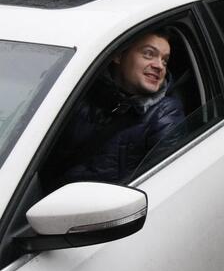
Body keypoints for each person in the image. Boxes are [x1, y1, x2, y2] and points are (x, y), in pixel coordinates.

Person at [43, 28, 186, 190]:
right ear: (118, 55)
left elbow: (163, 186)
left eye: (165, 61)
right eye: (148, 54)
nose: (159, 66)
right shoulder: (80, 93)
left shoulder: (164, 114)